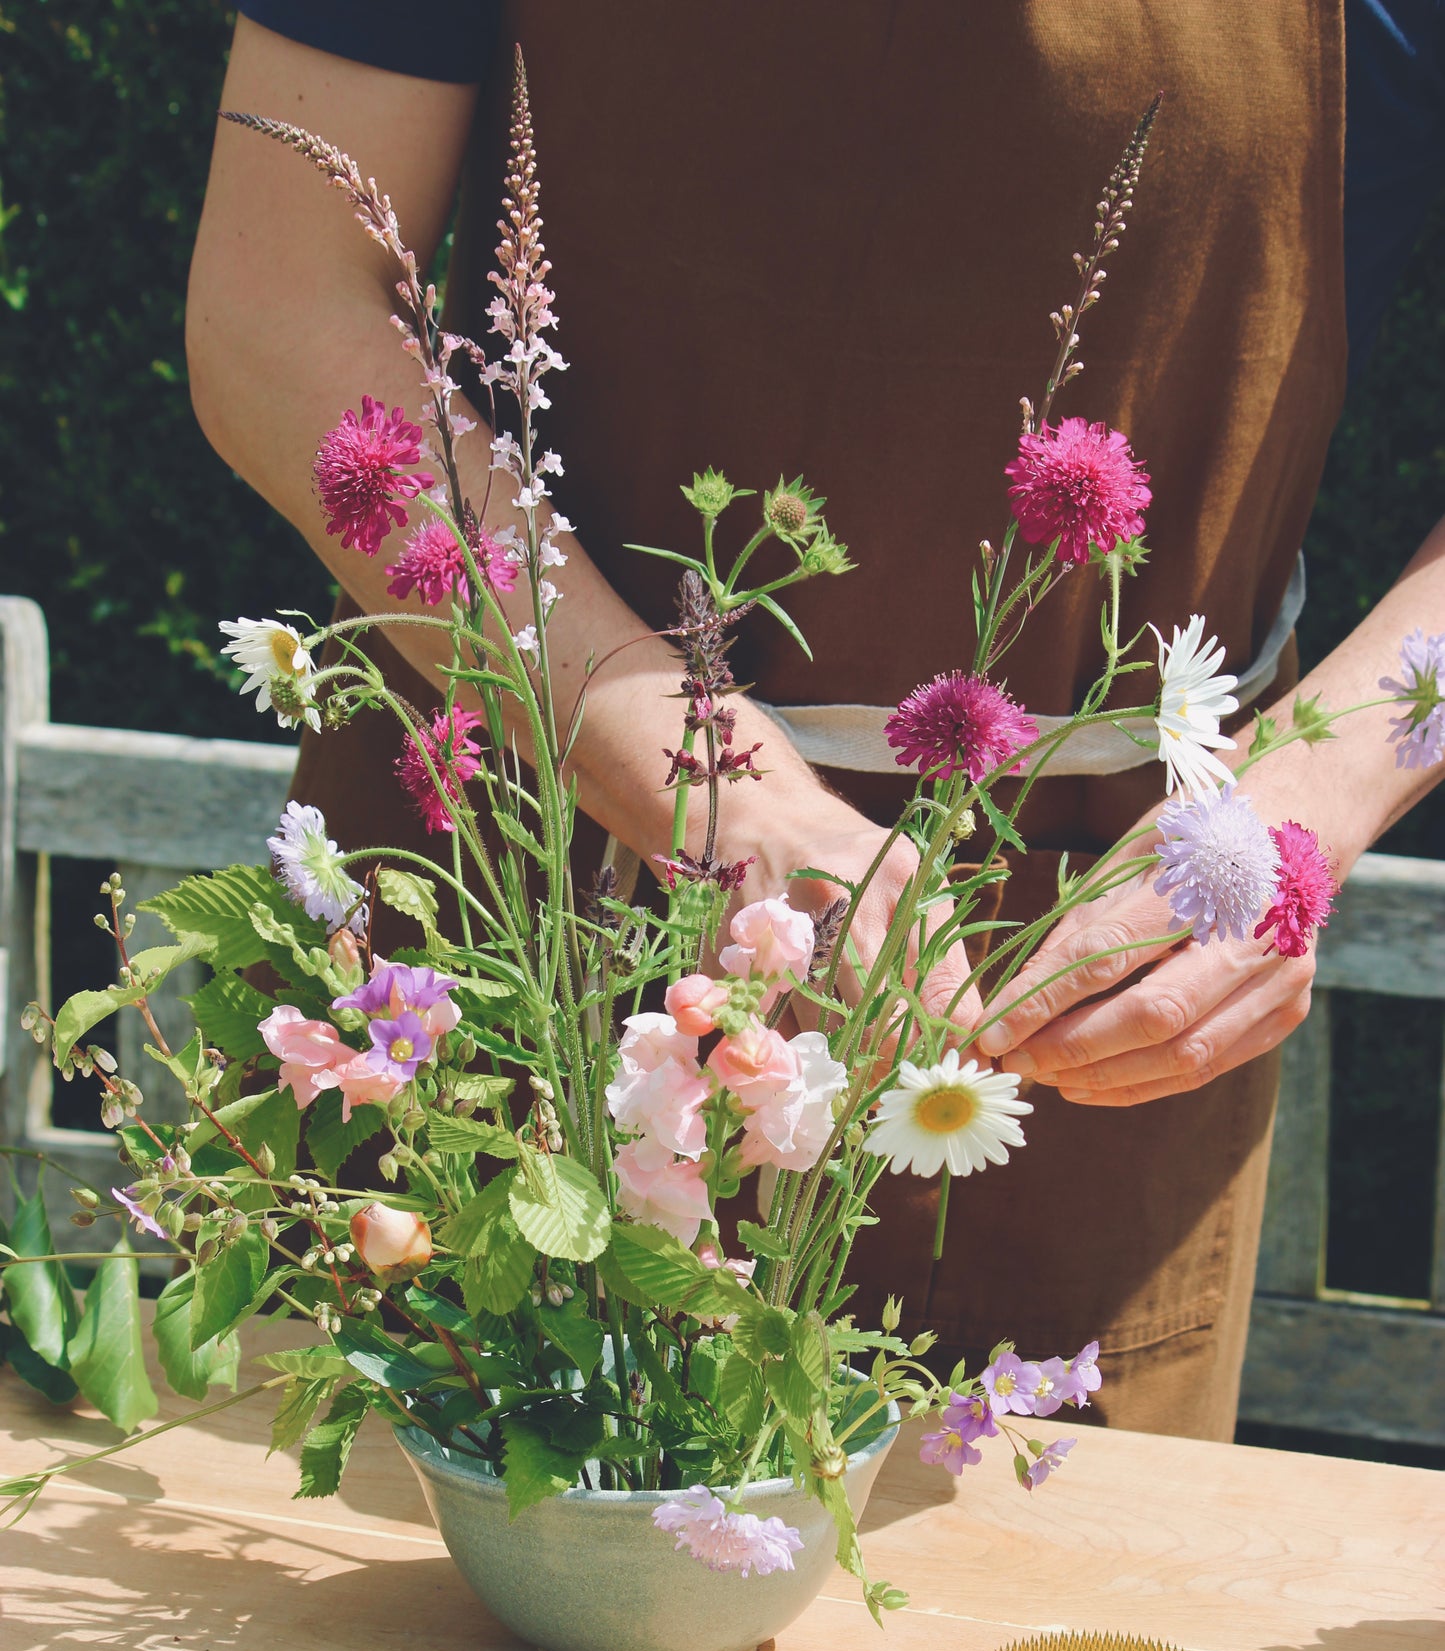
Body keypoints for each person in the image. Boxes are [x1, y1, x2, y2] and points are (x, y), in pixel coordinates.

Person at [186, 1, 1445, 1440]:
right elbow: (277, 304)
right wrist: (702, 777)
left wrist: (1302, 805)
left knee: (1016, 1582)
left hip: (1085, 1003)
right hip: (505, 887)